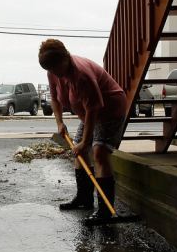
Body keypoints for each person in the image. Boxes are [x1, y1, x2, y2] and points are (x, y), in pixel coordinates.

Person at [38, 39, 129, 220]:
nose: (54, 73)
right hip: (89, 112)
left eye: (56, 68)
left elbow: (93, 109)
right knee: (78, 152)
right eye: (50, 70)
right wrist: (59, 123)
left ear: (65, 58)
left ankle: (105, 211)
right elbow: (55, 98)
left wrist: (86, 142)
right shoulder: (53, 71)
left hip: (110, 109)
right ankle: (84, 199)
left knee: (99, 153)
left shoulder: (82, 75)